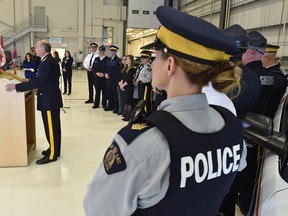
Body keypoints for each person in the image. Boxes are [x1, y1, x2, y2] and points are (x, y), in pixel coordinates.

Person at [84, 6, 246, 215]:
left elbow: (97, 209)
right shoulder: (232, 128)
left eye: (156, 57)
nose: (153, 63)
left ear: (170, 65)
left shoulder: (143, 145)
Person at [217, 24, 262, 216]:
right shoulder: (251, 78)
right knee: (229, 192)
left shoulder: (218, 77)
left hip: (215, 143)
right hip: (235, 146)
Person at [5, 40, 63, 165]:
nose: (35, 49)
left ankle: (52, 155)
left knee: (51, 128)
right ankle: (54, 149)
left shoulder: (47, 62)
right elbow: (43, 79)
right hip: (51, 98)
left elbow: (40, 82)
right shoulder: (48, 60)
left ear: (43, 49)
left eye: (37, 47)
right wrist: (29, 80)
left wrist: (17, 87)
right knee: (53, 126)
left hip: (48, 100)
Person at [261, 44, 287, 117]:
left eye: (259, 56)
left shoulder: (275, 77)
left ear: (265, 58)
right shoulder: (276, 73)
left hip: (264, 116)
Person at [104, 45, 121, 113]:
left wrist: (109, 74)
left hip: (114, 79)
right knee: (109, 93)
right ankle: (110, 106)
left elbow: (117, 70)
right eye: (111, 51)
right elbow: (105, 67)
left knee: (115, 93)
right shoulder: (108, 59)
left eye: (113, 51)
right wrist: (105, 73)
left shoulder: (118, 60)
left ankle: (116, 107)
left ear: (116, 52)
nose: (112, 52)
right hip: (108, 79)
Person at [119, 54, 135, 121]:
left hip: (128, 87)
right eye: (126, 59)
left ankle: (129, 116)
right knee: (125, 101)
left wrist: (123, 85)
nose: (126, 60)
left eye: (128, 59)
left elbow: (129, 79)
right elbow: (122, 77)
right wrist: (121, 84)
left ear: (131, 61)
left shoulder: (131, 69)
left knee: (128, 102)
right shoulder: (125, 68)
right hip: (124, 86)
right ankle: (125, 114)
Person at [91, 45, 108, 109]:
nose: (101, 52)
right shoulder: (96, 59)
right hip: (97, 79)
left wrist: (104, 73)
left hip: (104, 79)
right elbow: (93, 68)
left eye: (103, 51)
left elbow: (108, 68)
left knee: (104, 92)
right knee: (97, 91)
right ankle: (96, 104)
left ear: (104, 51)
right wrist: (96, 73)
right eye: (100, 51)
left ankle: (104, 104)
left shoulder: (107, 59)